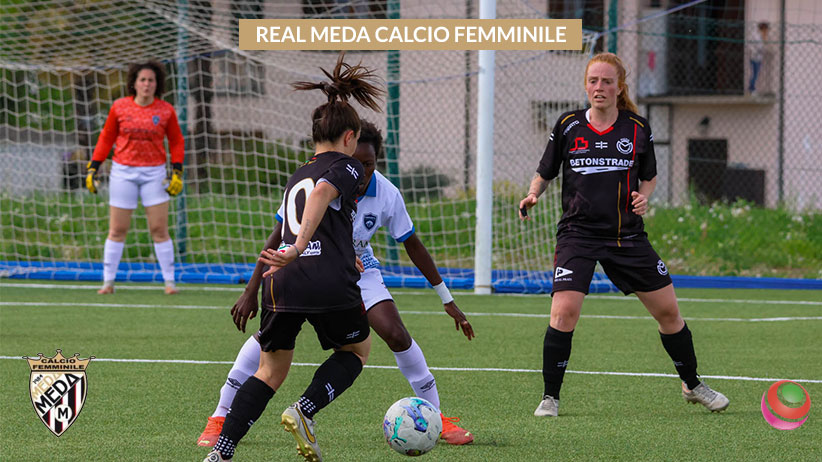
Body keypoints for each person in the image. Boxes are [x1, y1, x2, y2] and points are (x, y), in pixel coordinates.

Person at [196, 120, 476, 452]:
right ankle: (220, 415)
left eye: (370, 164)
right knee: (268, 339)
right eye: (357, 163)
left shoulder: (386, 193)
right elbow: (279, 234)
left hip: (358, 269)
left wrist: (446, 298)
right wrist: (250, 289)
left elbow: (412, 244)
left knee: (396, 333)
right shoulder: (323, 179)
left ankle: (436, 417)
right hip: (312, 264)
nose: (363, 172)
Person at [518, 52, 729, 418]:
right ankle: (550, 397)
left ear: (619, 87)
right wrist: (533, 193)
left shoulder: (637, 128)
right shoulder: (568, 125)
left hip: (626, 236)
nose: (599, 87)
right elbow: (545, 171)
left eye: (607, 81)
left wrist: (644, 197)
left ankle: (692, 384)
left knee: (669, 312)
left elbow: (650, 177)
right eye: (593, 81)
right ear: (586, 86)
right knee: (564, 313)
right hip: (578, 235)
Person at [203, 53, 383, 462]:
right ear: (350, 137)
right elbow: (321, 195)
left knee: (269, 371)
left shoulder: (297, 173)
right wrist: (300, 247)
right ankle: (304, 409)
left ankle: (221, 452)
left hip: (280, 282)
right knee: (356, 352)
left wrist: (305, 251)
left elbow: (307, 214)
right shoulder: (348, 167)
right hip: (324, 280)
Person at [85, 60, 184, 295]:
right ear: (134, 83)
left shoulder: (165, 110)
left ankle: (170, 283)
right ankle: (108, 283)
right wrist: (94, 167)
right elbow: (106, 137)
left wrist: (177, 170)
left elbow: (176, 141)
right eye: (143, 80)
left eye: (151, 80)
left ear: (157, 84)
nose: (147, 84)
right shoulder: (119, 107)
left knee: (159, 228)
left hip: (154, 173)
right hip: (123, 172)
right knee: (117, 229)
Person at [748, 22, 770, 94]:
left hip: (758, 57)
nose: (767, 31)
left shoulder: (759, 36)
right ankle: (752, 89)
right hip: (755, 57)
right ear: (763, 29)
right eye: (766, 30)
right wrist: (764, 40)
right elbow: (759, 47)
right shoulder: (757, 36)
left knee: (756, 74)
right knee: (755, 74)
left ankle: (752, 88)